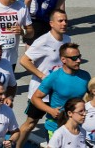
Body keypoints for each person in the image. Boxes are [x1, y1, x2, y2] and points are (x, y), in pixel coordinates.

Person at [17, 9, 70, 148]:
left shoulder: (67, 40)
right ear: (51, 23)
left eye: (65, 20)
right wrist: (43, 77)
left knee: (60, 121)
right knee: (30, 123)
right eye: (60, 21)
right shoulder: (43, 41)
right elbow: (24, 60)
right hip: (41, 92)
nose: (64, 23)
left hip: (58, 92)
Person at [31, 43, 90, 138]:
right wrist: (50, 110)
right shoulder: (53, 77)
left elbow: (90, 97)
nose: (78, 60)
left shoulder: (85, 76)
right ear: (63, 59)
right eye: (74, 58)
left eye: (79, 56)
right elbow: (35, 98)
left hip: (76, 127)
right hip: (55, 128)